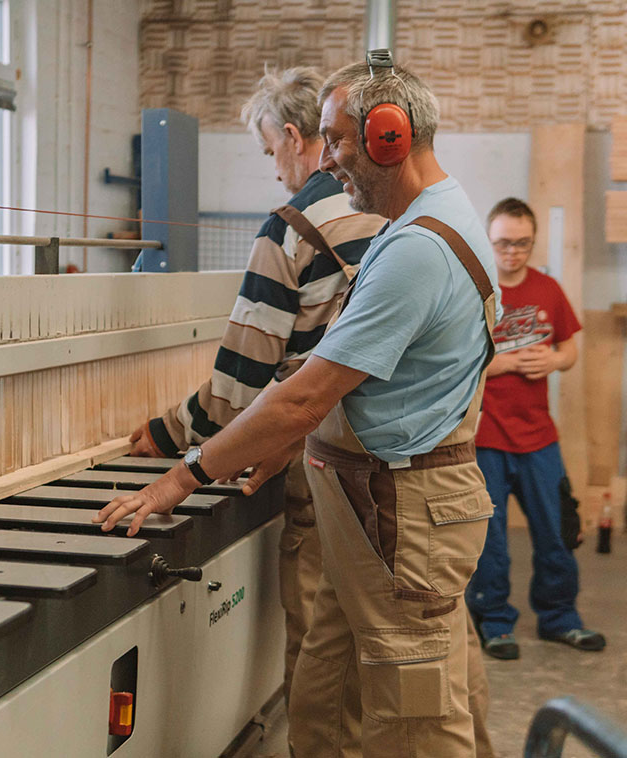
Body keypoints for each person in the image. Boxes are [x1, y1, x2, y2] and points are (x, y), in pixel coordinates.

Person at [95, 52, 501, 757]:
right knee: (323, 690)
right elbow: (346, 371)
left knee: (415, 721)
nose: (332, 160)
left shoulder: (418, 249)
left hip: (400, 512)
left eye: (339, 141)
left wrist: (183, 474)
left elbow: (304, 394)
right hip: (365, 505)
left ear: (389, 138)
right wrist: (288, 442)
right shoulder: (418, 222)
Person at [128, 66, 385, 708]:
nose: (274, 169)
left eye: (272, 150)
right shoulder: (384, 217)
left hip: (324, 464)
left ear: (296, 138)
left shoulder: (291, 229)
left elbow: (238, 386)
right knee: (388, 650)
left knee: (322, 659)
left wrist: (166, 436)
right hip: (394, 463)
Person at [466, 198, 606, 660]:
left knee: (557, 531)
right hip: (485, 438)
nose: (513, 252)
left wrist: (553, 359)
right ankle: (494, 621)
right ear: (490, 240)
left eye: (523, 243)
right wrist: (500, 363)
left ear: (532, 241)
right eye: (504, 243)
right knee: (492, 540)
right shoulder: (475, 292)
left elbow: (569, 350)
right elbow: (450, 364)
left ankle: (560, 618)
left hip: (539, 437)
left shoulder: (548, 289)